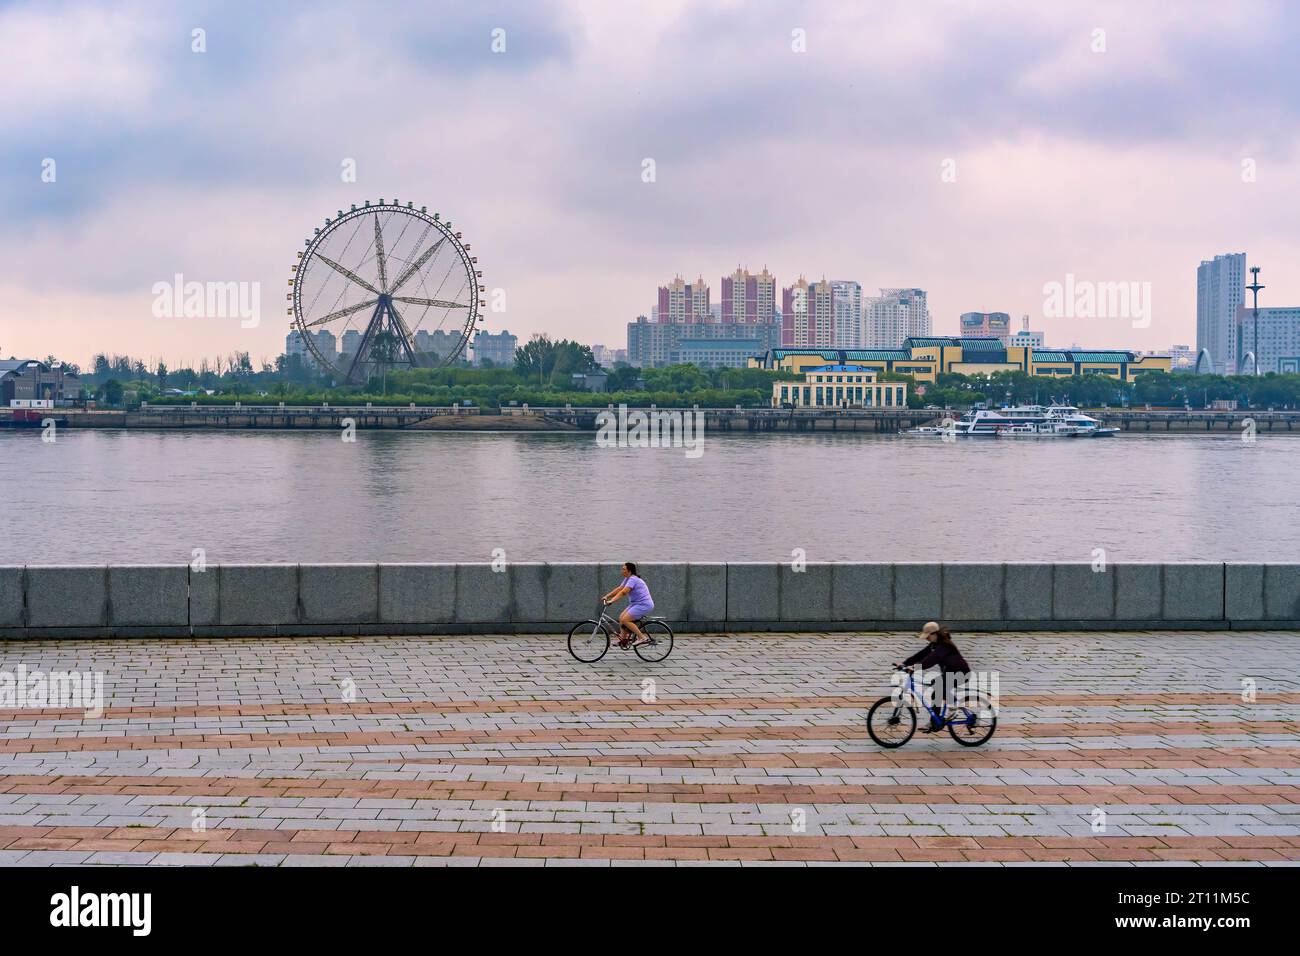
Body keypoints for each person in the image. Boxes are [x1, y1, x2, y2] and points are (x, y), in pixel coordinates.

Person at [896, 621, 970, 732]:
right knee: (937, 691)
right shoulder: (933, 645)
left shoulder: (944, 646)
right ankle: (934, 722)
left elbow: (931, 660)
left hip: (961, 673)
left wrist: (916, 668)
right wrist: (905, 663)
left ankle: (954, 707)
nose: (926, 639)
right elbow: (920, 655)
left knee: (938, 685)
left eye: (928, 636)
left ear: (935, 634)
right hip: (949, 673)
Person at [602, 562, 654, 648]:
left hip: (644, 604)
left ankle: (642, 637)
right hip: (636, 603)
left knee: (626, 620)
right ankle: (623, 640)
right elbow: (619, 588)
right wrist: (606, 596)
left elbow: (623, 592)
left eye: (623, 569)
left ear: (629, 571)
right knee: (621, 618)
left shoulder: (633, 579)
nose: (622, 571)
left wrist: (611, 601)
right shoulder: (627, 579)